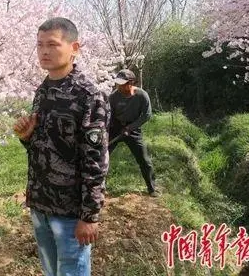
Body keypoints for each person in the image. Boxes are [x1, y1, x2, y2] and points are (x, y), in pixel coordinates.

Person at [13, 17, 110, 276]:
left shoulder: (88, 95)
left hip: (70, 211)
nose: (44, 51)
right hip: (41, 203)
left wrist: (89, 215)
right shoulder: (43, 91)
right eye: (40, 45)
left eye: (53, 44)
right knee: (51, 271)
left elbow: (96, 160)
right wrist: (27, 137)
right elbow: (45, 148)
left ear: (74, 48)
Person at [108, 69, 158, 197]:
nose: (119, 86)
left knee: (144, 160)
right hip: (116, 128)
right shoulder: (113, 97)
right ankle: (98, 187)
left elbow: (147, 115)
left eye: (123, 83)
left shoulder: (141, 95)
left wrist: (130, 128)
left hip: (133, 129)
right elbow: (109, 115)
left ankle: (152, 188)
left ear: (131, 82)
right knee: (102, 156)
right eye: (118, 83)